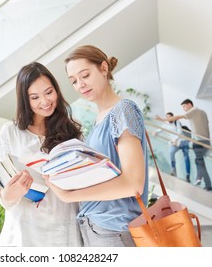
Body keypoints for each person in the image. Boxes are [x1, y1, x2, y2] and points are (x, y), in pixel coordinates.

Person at [44, 45, 148, 247]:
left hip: (114, 230)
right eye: (73, 81)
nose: (80, 85)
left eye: (85, 75)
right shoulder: (98, 119)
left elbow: (134, 184)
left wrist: (70, 195)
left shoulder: (122, 110)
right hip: (95, 228)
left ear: (103, 69)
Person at [0, 61, 83, 247]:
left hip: (64, 226)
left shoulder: (72, 129)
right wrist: (10, 193)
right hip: (24, 230)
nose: (45, 102)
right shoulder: (10, 132)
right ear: (25, 100)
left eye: (49, 92)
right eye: (34, 97)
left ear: (56, 90)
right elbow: (3, 195)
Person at [156, 99, 212, 191]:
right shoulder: (203, 112)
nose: (184, 109)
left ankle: (201, 179)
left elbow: (178, 117)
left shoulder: (193, 111)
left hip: (198, 141)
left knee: (199, 161)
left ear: (189, 104)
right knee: (199, 161)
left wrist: (163, 119)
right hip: (205, 141)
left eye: (184, 106)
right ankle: (206, 183)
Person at [153, 112, 191, 182]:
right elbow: (160, 130)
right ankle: (173, 170)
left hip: (182, 142)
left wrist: (176, 140)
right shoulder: (166, 124)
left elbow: (180, 132)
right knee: (171, 153)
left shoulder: (177, 122)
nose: (168, 118)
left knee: (186, 158)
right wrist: (155, 132)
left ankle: (188, 175)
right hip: (173, 143)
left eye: (170, 117)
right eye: (167, 117)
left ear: (173, 117)